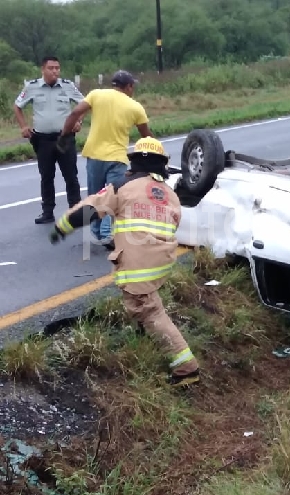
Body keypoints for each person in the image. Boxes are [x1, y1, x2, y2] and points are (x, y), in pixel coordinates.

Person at [48, 137, 200, 388]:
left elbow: (89, 209)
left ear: (136, 163)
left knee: (148, 309)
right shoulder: (170, 194)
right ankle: (144, 333)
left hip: (138, 264)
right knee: (146, 298)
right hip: (162, 261)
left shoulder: (123, 186)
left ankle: (186, 369)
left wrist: (63, 226)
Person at [57, 69, 153, 247]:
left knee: (95, 196)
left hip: (94, 155)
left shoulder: (96, 95)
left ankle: (97, 233)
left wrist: (64, 135)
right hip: (117, 158)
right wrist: (156, 155)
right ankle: (107, 234)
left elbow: (74, 114)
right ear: (129, 87)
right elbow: (146, 136)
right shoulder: (135, 107)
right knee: (114, 196)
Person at [13, 55, 85, 225]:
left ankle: (74, 211)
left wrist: (79, 121)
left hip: (64, 137)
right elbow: (17, 106)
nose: (55, 71)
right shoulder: (32, 87)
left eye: (57, 68)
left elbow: (85, 103)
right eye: (51, 68)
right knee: (46, 176)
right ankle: (47, 211)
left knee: (71, 175)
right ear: (43, 69)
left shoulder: (67, 86)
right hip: (43, 139)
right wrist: (23, 127)